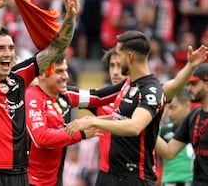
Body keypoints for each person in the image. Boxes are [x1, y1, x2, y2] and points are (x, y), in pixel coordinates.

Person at [0, 0, 79, 186]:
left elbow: (57, 48)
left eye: (11, 48)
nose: (8, 53)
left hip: (21, 173)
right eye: (0, 48)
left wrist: (70, 17)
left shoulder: (20, 77)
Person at [66, 30, 176, 185]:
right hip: (109, 174)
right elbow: (109, 109)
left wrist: (94, 122)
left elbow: (134, 126)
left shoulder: (151, 90)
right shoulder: (127, 86)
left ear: (130, 57)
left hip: (133, 177)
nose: (115, 66)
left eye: (119, 55)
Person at [25, 55, 122, 186]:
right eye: (59, 71)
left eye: (66, 70)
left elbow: (98, 97)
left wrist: (134, 83)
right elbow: (40, 138)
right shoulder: (32, 96)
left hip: (55, 181)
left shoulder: (66, 96)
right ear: (42, 75)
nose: (66, 76)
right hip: (30, 181)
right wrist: (81, 134)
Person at [156, 63, 208, 185]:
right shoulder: (193, 117)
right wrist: (148, 127)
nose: (189, 88)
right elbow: (169, 152)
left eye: (194, 84)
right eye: (189, 84)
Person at [159, 88, 194, 186]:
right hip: (169, 182)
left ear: (187, 106)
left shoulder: (199, 128)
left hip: (193, 181)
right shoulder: (163, 130)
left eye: (173, 108)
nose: (169, 114)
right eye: (167, 108)